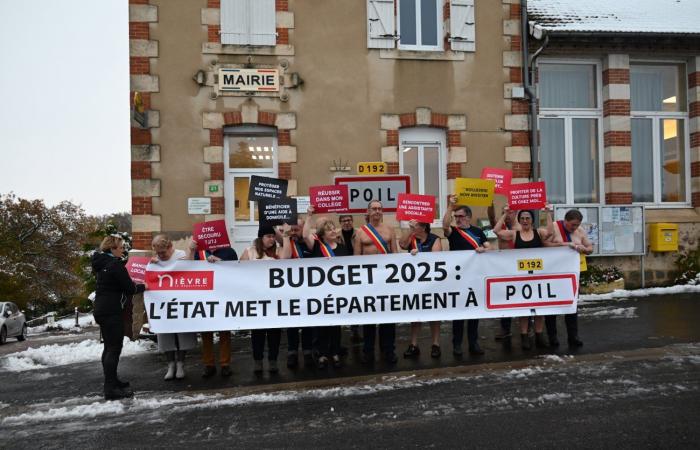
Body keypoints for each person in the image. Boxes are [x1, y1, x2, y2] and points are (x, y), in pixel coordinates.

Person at [92, 236, 146, 400]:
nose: (123, 250)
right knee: (114, 348)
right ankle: (110, 388)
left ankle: (113, 381)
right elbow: (130, 288)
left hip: (101, 309)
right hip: (111, 311)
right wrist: (145, 286)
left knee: (109, 347)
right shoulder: (115, 265)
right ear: (112, 248)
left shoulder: (101, 263)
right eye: (121, 247)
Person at [297, 205, 350, 369]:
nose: (334, 232)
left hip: (337, 292)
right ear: (323, 234)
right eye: (329, 230)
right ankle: (320, 354)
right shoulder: (317, 247)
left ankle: (334, 352)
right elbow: (305, 234)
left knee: (335, 326)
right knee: (321, 325)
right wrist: (309, 215)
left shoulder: (342, 248)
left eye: (334, 229)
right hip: (320, 293)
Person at [494, 206, 554, 350]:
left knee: (540, 307)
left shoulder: (538, 232)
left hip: (538, 276)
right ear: (519, 220)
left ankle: (539, 335)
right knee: (525, 308)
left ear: (532, 220)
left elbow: (550, 232)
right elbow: (496, 231)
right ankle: (524, 336)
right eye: (522, 218)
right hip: (521, 277)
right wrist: (505, 214)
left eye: (528, 218)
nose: (525, 221)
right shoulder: (515, 234)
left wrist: (548, 213)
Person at [442, 195, 490, 356]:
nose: (457, 219)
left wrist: (484, 249)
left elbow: (489, 246)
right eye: (456, 217)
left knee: (474, 312)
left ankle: (473, 343)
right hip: (458, 278)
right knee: (459, 312)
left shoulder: (477, 231)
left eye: (460, 216)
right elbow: (445, 225)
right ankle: (457, 344)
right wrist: (450, 206)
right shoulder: (453, 232)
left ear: (468, 217)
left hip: (475, 277)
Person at [353, 200, 399, 364]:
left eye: (380, 209)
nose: (377, 211)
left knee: (388, 317)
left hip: (386, 279)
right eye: (374, 209)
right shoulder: (360, 232)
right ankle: (368, 351)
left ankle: (389, 350)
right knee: (369, 318)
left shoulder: (389, 230)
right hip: (368, 280)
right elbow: (357, 257)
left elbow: (395, 253)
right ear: (368, 211)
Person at [151, 235, 198, 380]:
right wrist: (152, 264)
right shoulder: (156, 260)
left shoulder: (181, 256)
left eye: (163, 253)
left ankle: (180, 364)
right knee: (165, 334)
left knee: (183, 334)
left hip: (181, 302)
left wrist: (191, 251)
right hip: (163, 304)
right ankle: (170, 365)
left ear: (170, 247)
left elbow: (191, 269)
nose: (160, 256)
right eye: (158, 253)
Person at [240, 224, 286, 373]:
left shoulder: (278, 251)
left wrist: (284, 235)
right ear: (261, 238)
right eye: (268, 237)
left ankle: (273, 360)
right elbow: (238, 270)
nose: (271, 239)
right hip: (257, 299)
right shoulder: (250, 251)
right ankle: (258, 361)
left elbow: (287, 259)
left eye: (273, 237)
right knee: (258, 333)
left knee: (274, 332)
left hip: (274, 300)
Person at [545, 209, 593, 348]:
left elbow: (590, 248)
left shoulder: (580, 231)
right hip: (554, 274)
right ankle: (552, 337)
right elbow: (545, 245)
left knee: (571, 306)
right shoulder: (554, 227)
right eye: (572, 225)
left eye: (577, 225)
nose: (574, 228)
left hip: (571, 275)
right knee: (552, 308)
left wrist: (583, 248)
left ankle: (573, 336)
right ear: (565, 220)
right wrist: (566, 244)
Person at [398, 219, 443, 359]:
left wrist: (420, 256)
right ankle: (414, 345)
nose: (413, 226)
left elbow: (437, 258)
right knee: (415, 314)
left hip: (432, 283)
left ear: (423, 227)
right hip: (414, 283)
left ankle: (435, 344)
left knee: (433, 314)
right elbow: (402, 244)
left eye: (415, 225)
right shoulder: (412, 238)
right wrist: (410, 230)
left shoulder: (434, 239)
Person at [194, 245, 238, 378]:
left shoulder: (229, 252)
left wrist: (221, 263)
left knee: (224, 333)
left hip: (223, 295)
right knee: (206, 333)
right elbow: (190, 267)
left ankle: (225, 364)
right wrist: (191, 250)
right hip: (205, 296)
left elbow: (237, 270)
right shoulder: (199, 252)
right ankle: (209, 365)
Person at [281, 218, 315, 369]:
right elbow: (285, 258)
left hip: (308, 290)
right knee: (292, 323)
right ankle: (292, 351)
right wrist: (286, 235)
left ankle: (307, 351)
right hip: (291, 291)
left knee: (308, 323)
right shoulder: (287, 243)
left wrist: (309, 215)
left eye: (297, 229)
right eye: (292, 229)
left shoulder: (309, 243)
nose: (294, 232)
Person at [488, 204, 519, 340]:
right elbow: (491, 218)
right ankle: (505, 328)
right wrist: (490, 202)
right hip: (505, 267)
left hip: (519, 266)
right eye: (505, 213)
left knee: (523, 297)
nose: (507, 215)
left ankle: (528, 326)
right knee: (505, 298)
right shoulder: (501, 227)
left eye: (511, 213)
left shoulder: (521, 227)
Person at [338, 214, 362, 343]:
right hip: (341, 272)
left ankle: (355, 329)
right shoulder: (336, 235)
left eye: (349, 220)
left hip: (356, 271)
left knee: (355, 301)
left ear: (352, 221)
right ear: (340, 223)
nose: (346, 223)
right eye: (343, 221)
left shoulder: (359, 233)